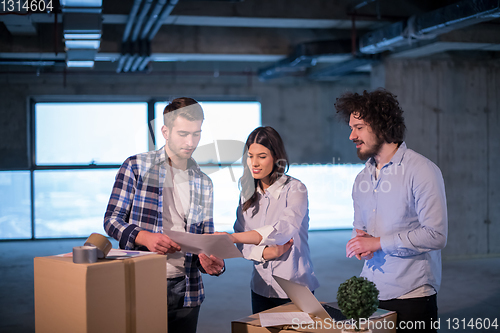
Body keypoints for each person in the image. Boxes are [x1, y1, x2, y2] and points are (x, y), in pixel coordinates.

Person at [103, 97, 225, 333]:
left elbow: (205, 237)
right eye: (183, 133)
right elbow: (111, 220)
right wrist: (145, 237)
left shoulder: (204, 182)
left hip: (187, 288)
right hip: (141, 282)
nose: (191, 142)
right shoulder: (136, 166)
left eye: (196, 134)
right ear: (165, 131)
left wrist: (213, 261)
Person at [335, 89, 448, 333]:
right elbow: (362, 231)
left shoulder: (422, 170)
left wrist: (377, 243)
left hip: (412, 296)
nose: (351, 135)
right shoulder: (361, 177)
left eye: (359, 127)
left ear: (382, 126)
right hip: (371, 295)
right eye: (351, 127)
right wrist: (361, 244)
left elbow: (436, 235)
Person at [226, 126, 319, 314]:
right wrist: (266, 253)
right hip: (260, 288)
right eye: (250, 156)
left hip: (295, 287)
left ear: (276, 157)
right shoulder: (246, 194)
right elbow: (242, 246)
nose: (254, 163)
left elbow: (284, 229)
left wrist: (235, 238)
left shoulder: (296, 189)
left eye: (262, 156)